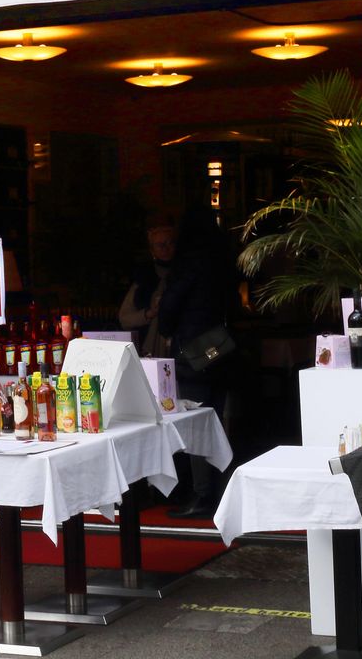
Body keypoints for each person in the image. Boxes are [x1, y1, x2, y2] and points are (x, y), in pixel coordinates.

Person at [157, 206, 237, 519]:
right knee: (217, 421)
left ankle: (202, 493)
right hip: (219, 347)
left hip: (193, 352)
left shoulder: (189, 262)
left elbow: (170, 306)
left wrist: (166, 328)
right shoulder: (221, 258)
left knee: (194, 422)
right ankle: (223, 489)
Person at [118, 221, 176, 358]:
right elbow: (125, 318)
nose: (165, 248)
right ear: (152, 250)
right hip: (149, 350)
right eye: (160, 245)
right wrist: (149, 314)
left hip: (181, 346)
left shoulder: (186, 274)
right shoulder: (144, 278)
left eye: (170, 243)